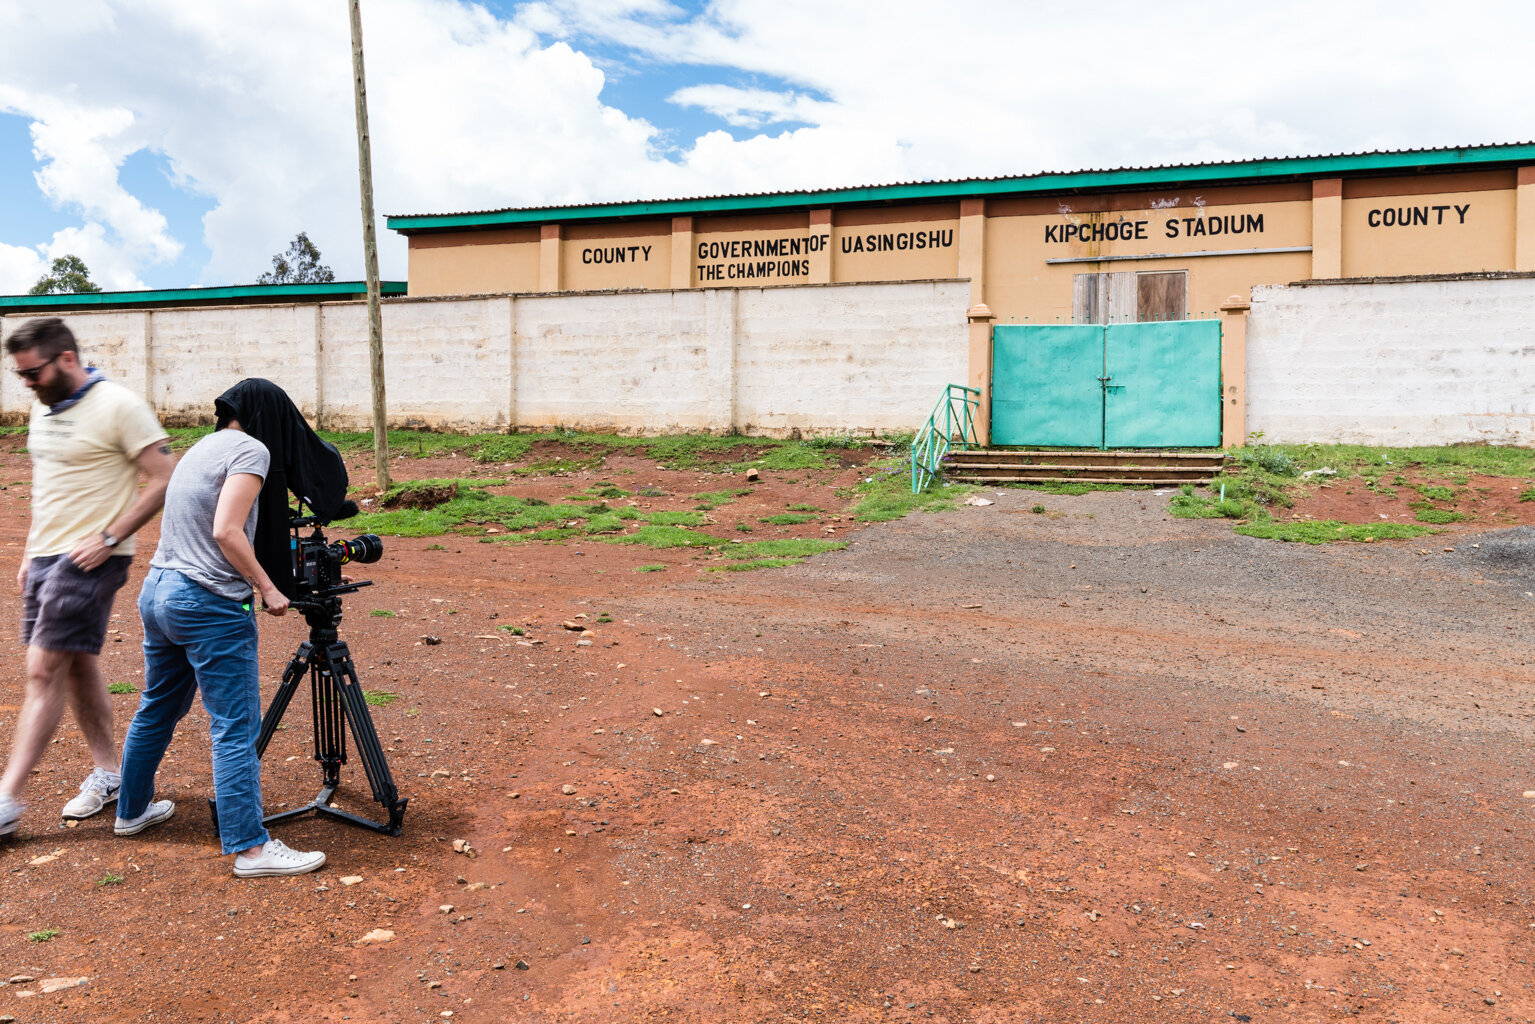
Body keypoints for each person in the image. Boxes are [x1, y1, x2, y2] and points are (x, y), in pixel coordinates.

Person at [115, 379, 338, 876]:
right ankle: (250, 849)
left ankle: (130, 811)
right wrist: (268, 588)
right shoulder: (251, 450)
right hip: (208, 602)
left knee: (157, 707)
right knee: (235, 727)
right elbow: (226, 529)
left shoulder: (203, 445)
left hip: (159, 590)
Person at [0, 317, 173, 835]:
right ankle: (113, 773)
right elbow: (50, 485)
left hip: (91, 557)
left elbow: (164, 477)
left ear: (66, 359)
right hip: (48, 556)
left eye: (32, 373)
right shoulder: (43, 407)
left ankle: (6, 800)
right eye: (20, 375)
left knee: (42, 669)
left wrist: (109, 538)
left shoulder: (120, 406)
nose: (26, 383)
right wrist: (32, 550)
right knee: (75, 664)